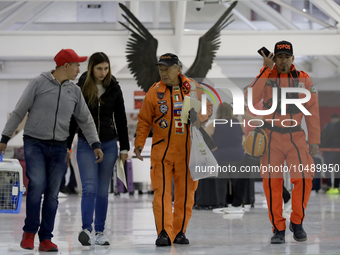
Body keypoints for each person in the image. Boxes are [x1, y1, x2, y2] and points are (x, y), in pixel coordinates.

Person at [0, 49, 104, 252]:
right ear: (66, 66)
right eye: (76, 64)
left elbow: (85, 119)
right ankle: (29, 233)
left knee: (53, 194)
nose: (79, 69)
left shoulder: (74, 91)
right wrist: (5, 137)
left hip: (59, 146)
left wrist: (96, 143)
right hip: (34, 143)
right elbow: (19, 110)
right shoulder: (38, 83)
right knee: (37, 186)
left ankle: (46, 238)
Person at [134, 53, 212, 246]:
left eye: (167, 69)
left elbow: (208, 106)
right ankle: (163, 232)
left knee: (186, 194)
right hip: (162, 152)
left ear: (178, 69)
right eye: (161, 69)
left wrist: (199, 118)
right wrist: (139, 143)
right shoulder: (154, 92)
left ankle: (179, 232)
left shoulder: (193, 88)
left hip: (187, 151)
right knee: (161, 194)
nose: (163, 73)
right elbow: (144, 120)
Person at [250, 40, 320, 244]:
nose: (283, 61)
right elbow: (252, 96)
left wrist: (314, 140)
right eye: (279, 57)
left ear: (293, 58)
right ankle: (278, 228)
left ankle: (296, 223)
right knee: (273, 184)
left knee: (305, 179)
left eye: (286, 57)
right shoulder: (266, 76)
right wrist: (265, 68)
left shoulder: (304, 80)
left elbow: (313, 112)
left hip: (296, 137)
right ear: (274, 58)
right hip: (270, 137)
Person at [67, 52, 130, 246]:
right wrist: (67, 145)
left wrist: (125, 148)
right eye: (99, 68)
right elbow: (72, 118)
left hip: (109, 144)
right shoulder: (82, 87)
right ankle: (86, 228)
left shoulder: (114, 88)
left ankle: (100, 232)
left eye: (106, 68)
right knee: (89, 188)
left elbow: (121, 118)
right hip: (86, 143)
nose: (103, 72)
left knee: (103, 191)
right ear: (91, 68)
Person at [206, 103, 245, 213]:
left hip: (220, 156)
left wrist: (212, 146)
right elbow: (249, 135)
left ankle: (221, 205)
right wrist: (242, 145)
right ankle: (237, 205)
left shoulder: (214, 124)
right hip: (238, 156)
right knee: (236, 182)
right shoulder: (239, 123)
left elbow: (203, 134)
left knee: (221, 182)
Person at [320, 113, 340, 194]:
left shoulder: (326, 126)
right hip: (338, 150)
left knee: (327, 168)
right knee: (338, 169)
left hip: (327, 150)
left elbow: (323, 137)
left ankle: (328, 185)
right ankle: (336, 186)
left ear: (331, 119)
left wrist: (322, 149)